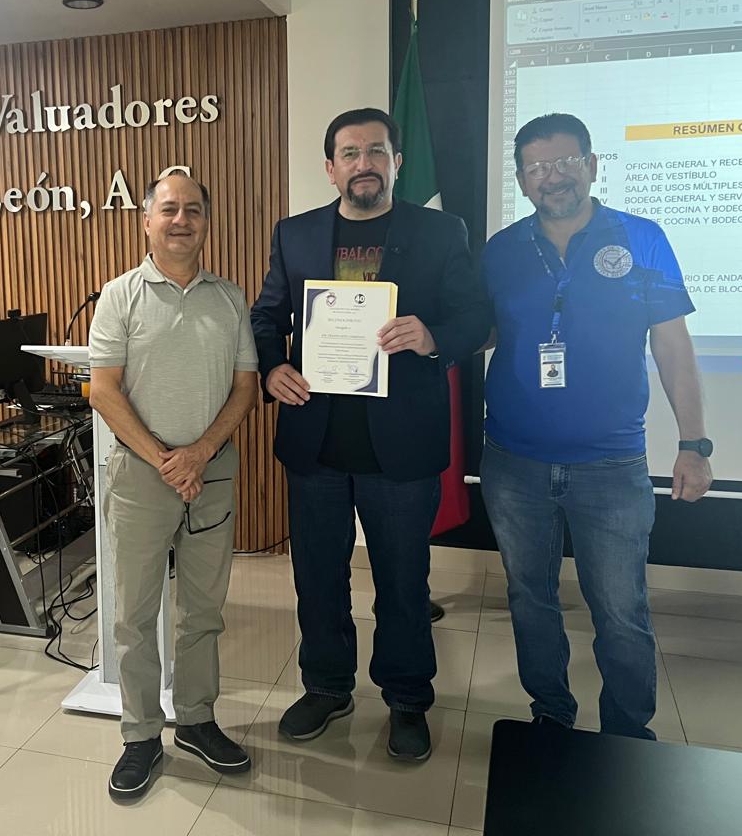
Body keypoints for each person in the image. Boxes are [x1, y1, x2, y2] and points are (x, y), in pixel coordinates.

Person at [250, 107, 491, 761]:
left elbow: (476, 316)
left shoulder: (440, 231)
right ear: (331, 168)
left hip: (401, 443)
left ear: (397, 162)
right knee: (317, 578)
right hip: (317, 442)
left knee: (403, 582)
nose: (365, 164)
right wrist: (271, 367)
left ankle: (407, 699)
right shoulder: (295, 234)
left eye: (377, 151)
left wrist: (433, 336)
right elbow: (267, 315)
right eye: (351, 153)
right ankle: (327, 687)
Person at [480, 112, 712, 740]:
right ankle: (551, 715)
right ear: (522, 179)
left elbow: (672, 345)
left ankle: (628, 736)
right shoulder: (502, 249)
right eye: (536, 167)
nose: (551, 177)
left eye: (564, 162)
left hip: (611, 465)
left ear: (592, 164)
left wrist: (693, 444)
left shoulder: (642, 238)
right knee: (530, 600)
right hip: (513, 462)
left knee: (620, 609)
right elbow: (484, 331)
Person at [88, 171, 259, 801]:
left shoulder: (230, 299)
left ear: (206, 222)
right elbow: (102, 389)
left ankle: (195, 720)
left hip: (210, 475)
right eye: (168, 209)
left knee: (203, 611)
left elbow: (245, 388)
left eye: (192, 210)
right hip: (142, 477)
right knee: (134, 614)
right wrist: (166, 459)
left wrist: (199, 454)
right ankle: (140, 736)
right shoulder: (119, 296)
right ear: (146, 221)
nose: (180, 220)